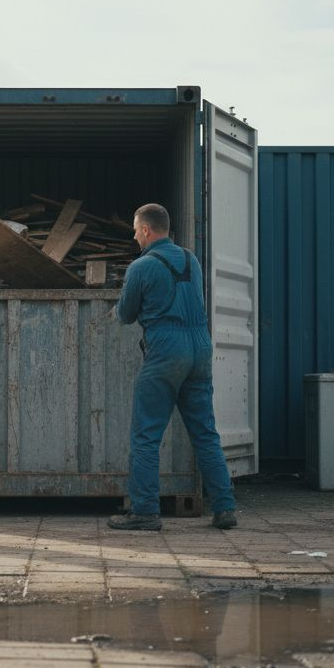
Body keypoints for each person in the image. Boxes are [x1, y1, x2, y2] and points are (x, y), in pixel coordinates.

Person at [109, 203, 237, 531]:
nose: (134, 235)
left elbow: (125, 315)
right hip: (200, 347)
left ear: (147, 230)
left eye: (136, 229)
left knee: (146, 435)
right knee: (205, 433)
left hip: (167, 349)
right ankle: (225, 509)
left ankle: (145, 511)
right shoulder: (191, 260)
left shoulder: (141, 267)